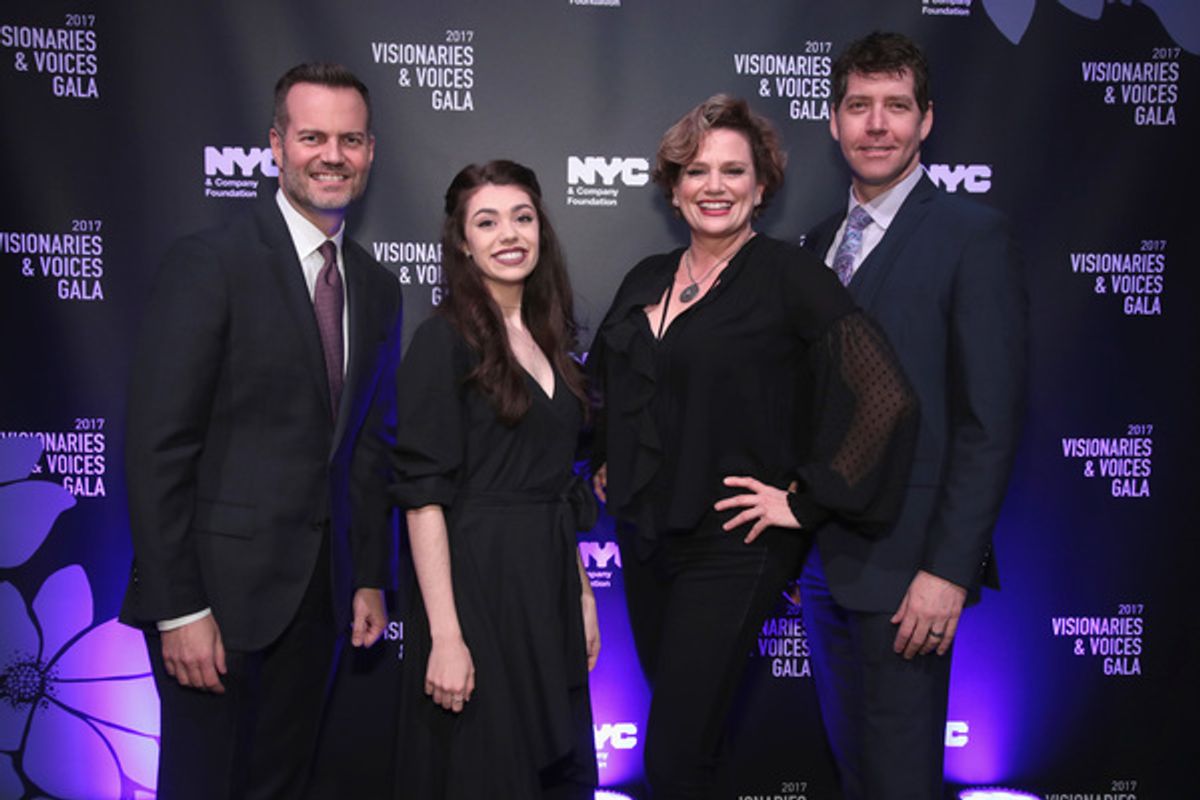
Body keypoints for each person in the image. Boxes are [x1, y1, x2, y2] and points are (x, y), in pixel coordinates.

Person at [589, 95, 918, 799]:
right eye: (697, 171)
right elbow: (609, 388)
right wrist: (610, 456)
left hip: (734, 545)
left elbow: (886, 398)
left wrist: (809, 502)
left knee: (672, 757)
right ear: (674, 189)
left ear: (761, 186)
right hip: (647, 539)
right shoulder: (646, 278)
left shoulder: (788, 276)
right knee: (695, 747)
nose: (715, 186)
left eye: (733, 171)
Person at [121, 62, 402, 799]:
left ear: (370, 151)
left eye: (349, 139)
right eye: (312, 136)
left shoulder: (376, 286)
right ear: (275, 146)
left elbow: (368, 447)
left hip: (320, 600)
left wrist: (369, 573)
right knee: (203, 784)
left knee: (283, 786)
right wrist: (178, 606)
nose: (331, 155)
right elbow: (158, 449)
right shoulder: (210, 263)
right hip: (213, 600)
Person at [799, 32, 1027, 799]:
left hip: (911, 575)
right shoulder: (814, 244)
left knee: (901, 781)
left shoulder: (972, 235)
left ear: (926, 121)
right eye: (859, 106)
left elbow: (988, 419)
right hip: (822, 567)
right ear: (833, 122)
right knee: (853, 770)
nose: (876, 125)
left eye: (896, 107)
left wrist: (948, 572)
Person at [392, 160, 599, 799]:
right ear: (462, 242)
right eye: (487, 221)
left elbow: (555, 483)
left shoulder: (548, 339)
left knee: (554, 771)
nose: (509, 234)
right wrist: (446, 637)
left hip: (547, 586)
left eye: (522, 217)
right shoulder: (442, 341)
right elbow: (423, 497)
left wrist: (584, 593)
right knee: (488, 772)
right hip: (477, 584)